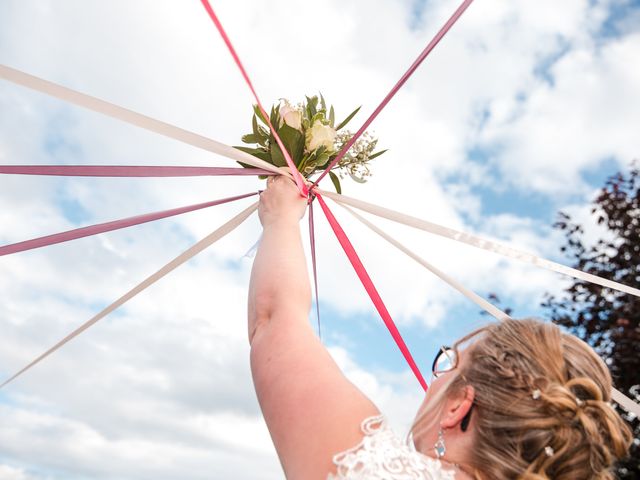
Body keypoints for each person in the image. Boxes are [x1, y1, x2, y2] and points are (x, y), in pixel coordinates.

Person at [248, 175, 632, 479]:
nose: (433, 379)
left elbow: (275, 318)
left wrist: (281, 216)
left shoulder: (375, 471)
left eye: (448, 364)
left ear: (459, 407)